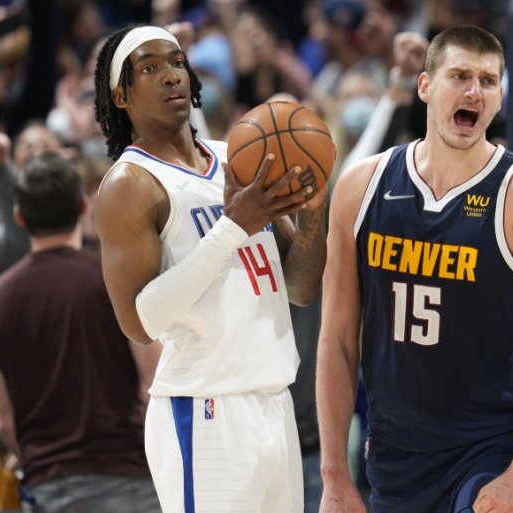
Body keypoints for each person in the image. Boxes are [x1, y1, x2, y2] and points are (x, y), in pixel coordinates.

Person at [316, 25, 513, 513]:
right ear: (424, 86)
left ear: (500, 96)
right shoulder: (361, 187)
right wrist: (334, 476)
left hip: (493, 447)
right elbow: (337, 340)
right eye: (460, 76)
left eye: (488, 81)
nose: (474, 92)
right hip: (397, 454)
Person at [92, 25, 327, 513]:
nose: (171, 76)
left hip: (274, 401)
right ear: (121, 95)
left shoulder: (234, 158)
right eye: (150, 68)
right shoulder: (129, 184)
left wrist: (312, 214)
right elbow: (139, 323)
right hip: (205, 412)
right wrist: (233, 228)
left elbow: (300, 288)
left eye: (177, 62)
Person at [0, 151, 161, 513]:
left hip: (50, 484)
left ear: (19, 216)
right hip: (128, 473)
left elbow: (5, 420)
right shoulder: (112, 281)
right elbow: (153, 378)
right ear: (84, 205)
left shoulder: (2, 298)